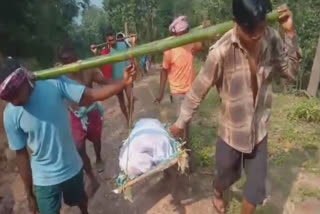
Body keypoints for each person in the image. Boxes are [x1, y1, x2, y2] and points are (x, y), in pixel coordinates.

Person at [169, 1, 301, 214]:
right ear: (237, 24)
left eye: (261, 27)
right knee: (224, 177)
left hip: (259, 130)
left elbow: (290, 71)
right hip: (231, 132)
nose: (257, 35)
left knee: (256, 190)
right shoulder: (220, 52)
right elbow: (196, 92)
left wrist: (290, 32)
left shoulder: (271, 38)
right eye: (251, 30)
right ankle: (218, 192)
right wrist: (179, 123)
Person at [1, 57, 135, 214]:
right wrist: (29, 194)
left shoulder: (53, 83)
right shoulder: (10, 114)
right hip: (43, 180)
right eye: (9, 99)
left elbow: (91, 95)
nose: (14, 102)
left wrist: (123, 83)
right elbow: (21, 155)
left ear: (24, 81)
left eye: (15, 95)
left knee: (80, 201)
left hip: (72, 168)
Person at [59, 44, 112, 197]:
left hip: (91, 111)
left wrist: (122, 81)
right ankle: (91, 177)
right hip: (75, 115)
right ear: (62, 62)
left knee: (96, 140)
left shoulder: (88, 69)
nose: (69, 63)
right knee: (79, 147)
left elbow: (104, 81)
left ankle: (99, 158)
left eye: (71, 59)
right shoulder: (59, 75)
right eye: (65, 61)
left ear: (76, 57)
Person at [154, 16, 207, 147]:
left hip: (191, 90)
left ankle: (185, 150)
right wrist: (160, 94)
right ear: (175, 33)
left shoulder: (191, 42)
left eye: (186, 31)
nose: (184, 34)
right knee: (181, 125)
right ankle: (183, 154)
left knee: (186, 124)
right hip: (178, 93)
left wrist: (204, 30)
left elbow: (201, 46)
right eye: (181, 32)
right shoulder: (169, 49)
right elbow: (164, 71)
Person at [91, 30, 134, 126]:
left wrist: (132, 41)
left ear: (115, 37)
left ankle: (130, 118)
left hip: (126, 78)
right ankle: (128, 120)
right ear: (107, 41)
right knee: (121, 101)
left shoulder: (123, 44)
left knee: (130, 98)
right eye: (109, 40)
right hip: (115, 81)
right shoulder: (106, 52)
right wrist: (94, 53)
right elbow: (99, 63)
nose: (112, 42)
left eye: (113, 39)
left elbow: (131, 54)